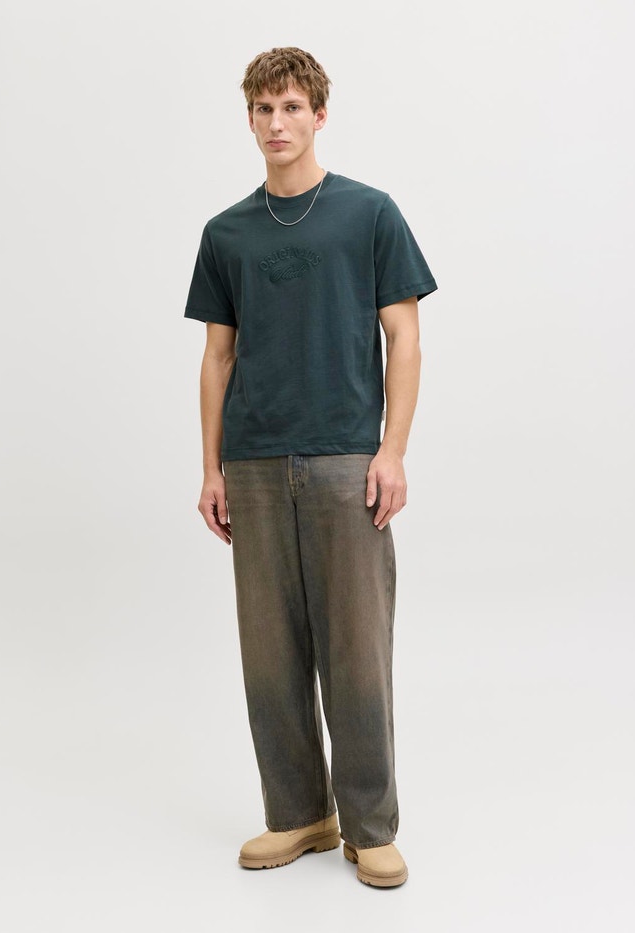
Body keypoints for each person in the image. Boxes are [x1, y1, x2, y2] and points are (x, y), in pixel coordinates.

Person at [183, 47, 437, 888]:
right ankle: (299, 812)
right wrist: (212, 467)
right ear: (249, 120)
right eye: (263, 109)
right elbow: (218, 357)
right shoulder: (226, 232)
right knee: (270, 651)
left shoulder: (370, 213)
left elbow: (404, 336)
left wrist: (392, 450)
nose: (277, 123)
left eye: (291, 107)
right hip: (253, 463)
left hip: (344, 461)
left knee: (356, 649)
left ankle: (370, 824)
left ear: (319, 115)